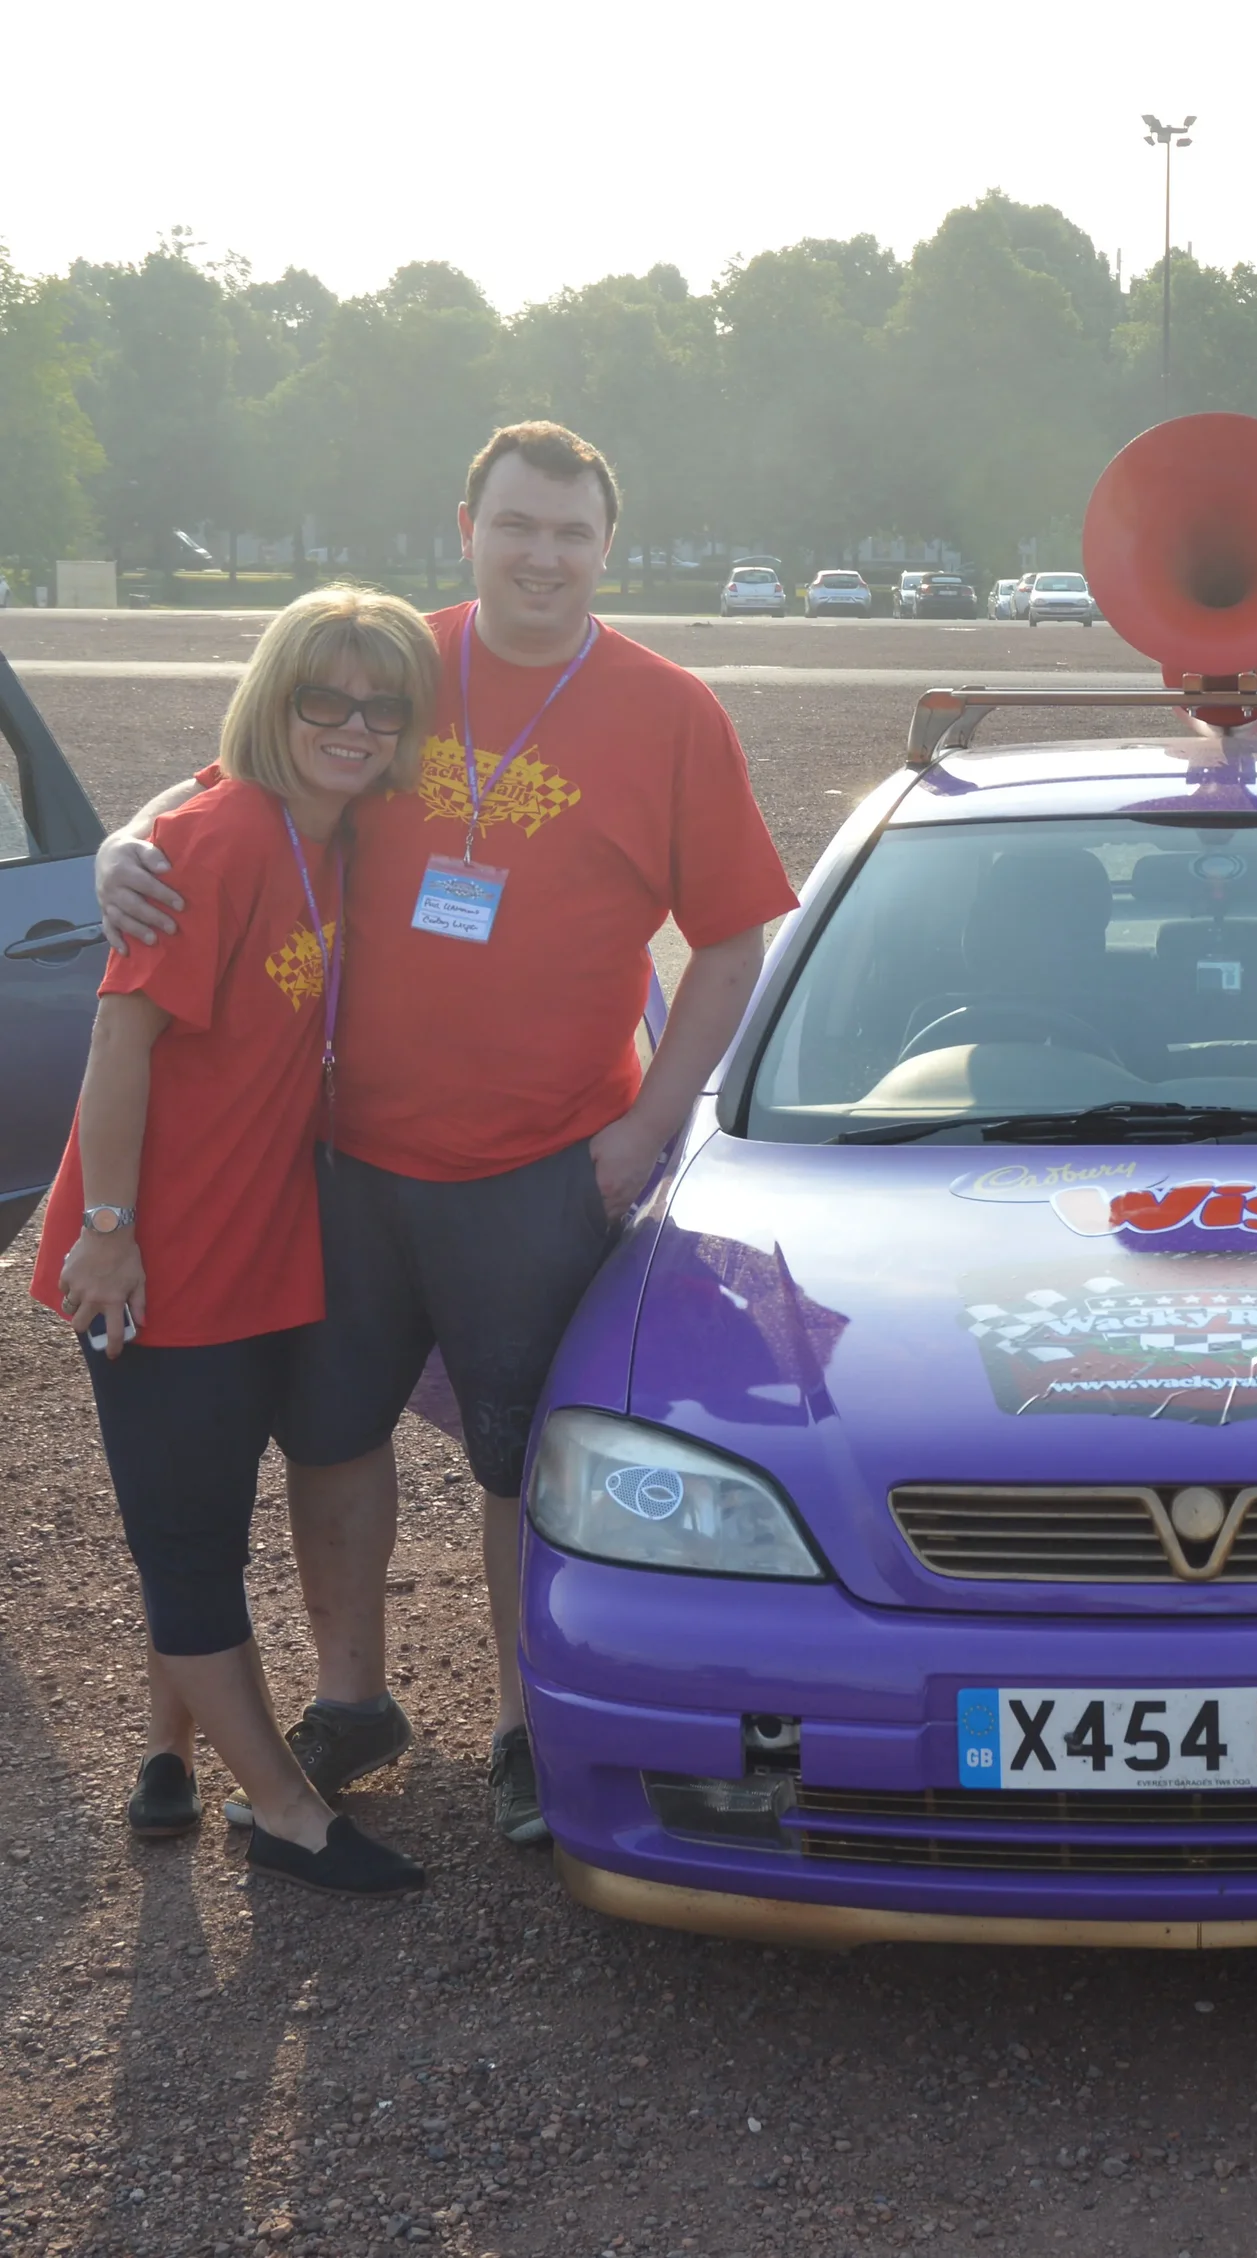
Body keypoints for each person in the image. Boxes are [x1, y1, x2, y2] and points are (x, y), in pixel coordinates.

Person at [95, 423, 800, 1846]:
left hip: (549, 1160)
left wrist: (650, 1129)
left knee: (523, 1454)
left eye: (573, 532)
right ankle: (353, 1696)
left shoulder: (670, 712)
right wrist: (129, 833)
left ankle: (525, 1721)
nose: (544, 554)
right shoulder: (400, 659)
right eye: (518, 525)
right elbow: (241, 768)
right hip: (348, 1155)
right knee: (330, 1431)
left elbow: (734, 941)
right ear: (466, 524)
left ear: (609, 545)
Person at [33, 586, 438, 1896]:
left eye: (381, 705)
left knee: (201, 1513)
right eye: (326, 697)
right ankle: (282, 1813)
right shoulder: (216, 843)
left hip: (251, 1245)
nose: (355, 725)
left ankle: (168, 1749)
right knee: (191, 1545)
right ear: (279, 699)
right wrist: (107, 1228)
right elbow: (118, 1039)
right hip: (156, 1266)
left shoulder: (325, 829)